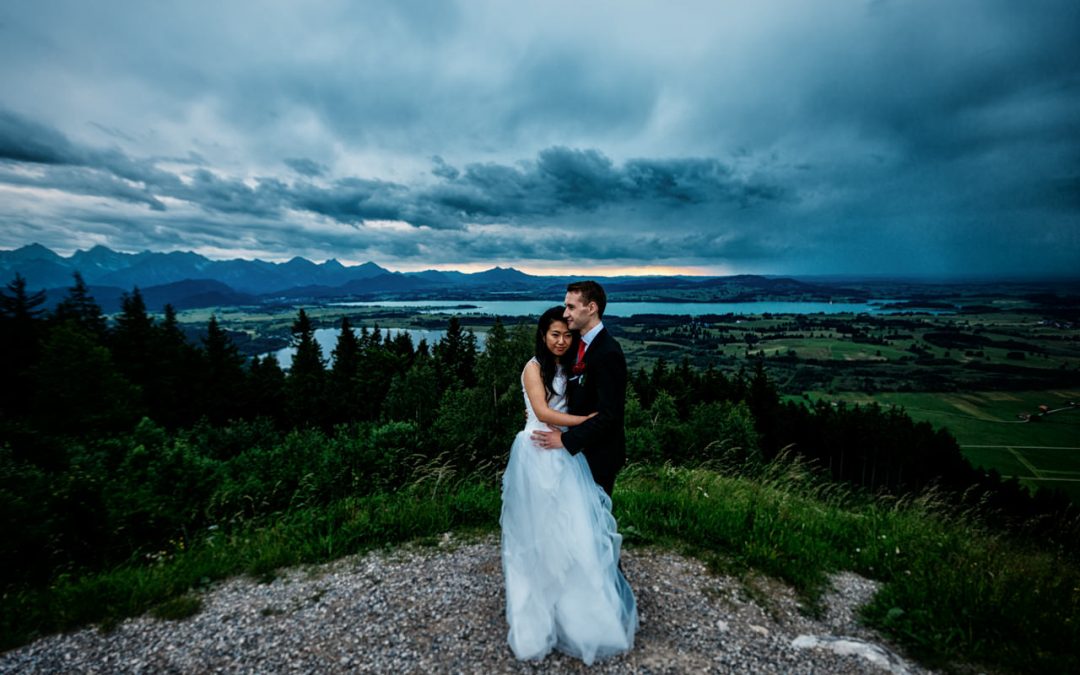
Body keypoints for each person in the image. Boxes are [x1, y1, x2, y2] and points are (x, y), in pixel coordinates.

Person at [500, 305, 637, 665]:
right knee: (540, 531)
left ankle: (579, 614)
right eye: (554, 334)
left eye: (566, 334)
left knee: (573, 528)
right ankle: (541, 613)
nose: (561, 341)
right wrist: (586, 421)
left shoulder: (572, 365)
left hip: (565, 453)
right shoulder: (533, 368)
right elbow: (543, 413)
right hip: (537, 451)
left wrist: (577, 430)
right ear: (543, 336)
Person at [531, 281, 627, 497]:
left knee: (595, 520)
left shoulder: (608, 352)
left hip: (600, 454)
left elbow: (610, 415)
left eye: (571, 307)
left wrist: (565, 440)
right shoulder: (577, 346)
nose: (566, 314)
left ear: (591, 308)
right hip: (578, 451)